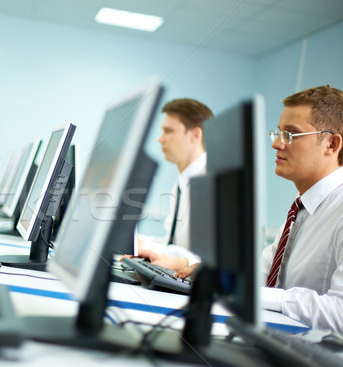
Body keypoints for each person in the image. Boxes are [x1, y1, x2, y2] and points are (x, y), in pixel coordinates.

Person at [142, 85, 343, 334]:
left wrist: (262, 296)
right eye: (278, 133)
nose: (277, 144)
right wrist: (217, 276)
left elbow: (340, 313)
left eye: (291, 134)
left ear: (331, 144)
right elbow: (261, 270)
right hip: (276, 340)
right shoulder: (300, 208)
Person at [137, 98, 213, 268]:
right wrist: (139, 243)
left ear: (195, 135)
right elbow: (177, 246)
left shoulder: (214, 182)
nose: (160, 139)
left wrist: (147, 246)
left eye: (168, 131)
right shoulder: (181, 184)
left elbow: (210, 260)